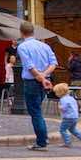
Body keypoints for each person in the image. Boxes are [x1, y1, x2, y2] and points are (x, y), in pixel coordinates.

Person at [16, 21, 57, 151]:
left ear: (21, 32)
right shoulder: (45, 46)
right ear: (33, 32)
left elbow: (29, 66)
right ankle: (43, 138)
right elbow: (53, 63)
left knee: (35, 112)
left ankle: (41, 141)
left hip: (32, 82)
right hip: (44, 80)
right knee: (38, 110)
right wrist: (44, 76)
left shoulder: (22, 47)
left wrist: (40, 77)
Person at [53, 82, 81, 146]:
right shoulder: (71, 98)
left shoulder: (63, 99)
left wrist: (60, 107)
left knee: (62, 130)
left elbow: (64, 107)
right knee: (72, 129)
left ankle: (67, 142)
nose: (55, 94)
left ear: (60, 92)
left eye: (56, 92)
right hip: (75, 116)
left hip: (67, 117)